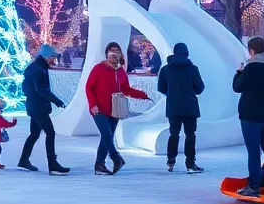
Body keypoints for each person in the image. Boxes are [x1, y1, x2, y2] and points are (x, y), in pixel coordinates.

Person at [85, 41, 149, 175]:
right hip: (99, 109)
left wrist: (141, 95)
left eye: (117, 51)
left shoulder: (120, 71)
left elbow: (125, 89)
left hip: (115, 109)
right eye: (112, 51)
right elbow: (89, 88)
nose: (114, 53)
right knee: (106, 134)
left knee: (107, 137)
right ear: (107, 54)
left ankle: (99, 164)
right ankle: (116, 157)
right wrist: (93, 104)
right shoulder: (98, 68)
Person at [231, 36, 264, 198]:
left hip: (250, 113)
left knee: (253, 151)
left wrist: (238, 73)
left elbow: (238, 87)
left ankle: (253, 186)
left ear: (252, 50)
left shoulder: (251, 67)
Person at [18, 44, 68, 174]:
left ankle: (24, 160)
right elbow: (41, 89)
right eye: (53, 57)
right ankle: (52, 163)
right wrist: (57, 101)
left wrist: (29, 96)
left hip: (34, 105)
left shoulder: (34, 67)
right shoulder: (38, 70)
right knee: (50, 133)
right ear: (47, 57)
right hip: (38, 107)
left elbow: (25, 87)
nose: (54, 59)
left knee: (34, 134)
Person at [156, 42, 205, 173]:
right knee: (190, 135)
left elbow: (161, 88)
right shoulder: (193, 69)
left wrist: (171, 93)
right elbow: (200, 88)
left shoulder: (166, 70)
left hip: (173, 107)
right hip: (190, 107)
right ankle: (190, 164)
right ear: (186, 52)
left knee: (174, 134)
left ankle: (170, 161)